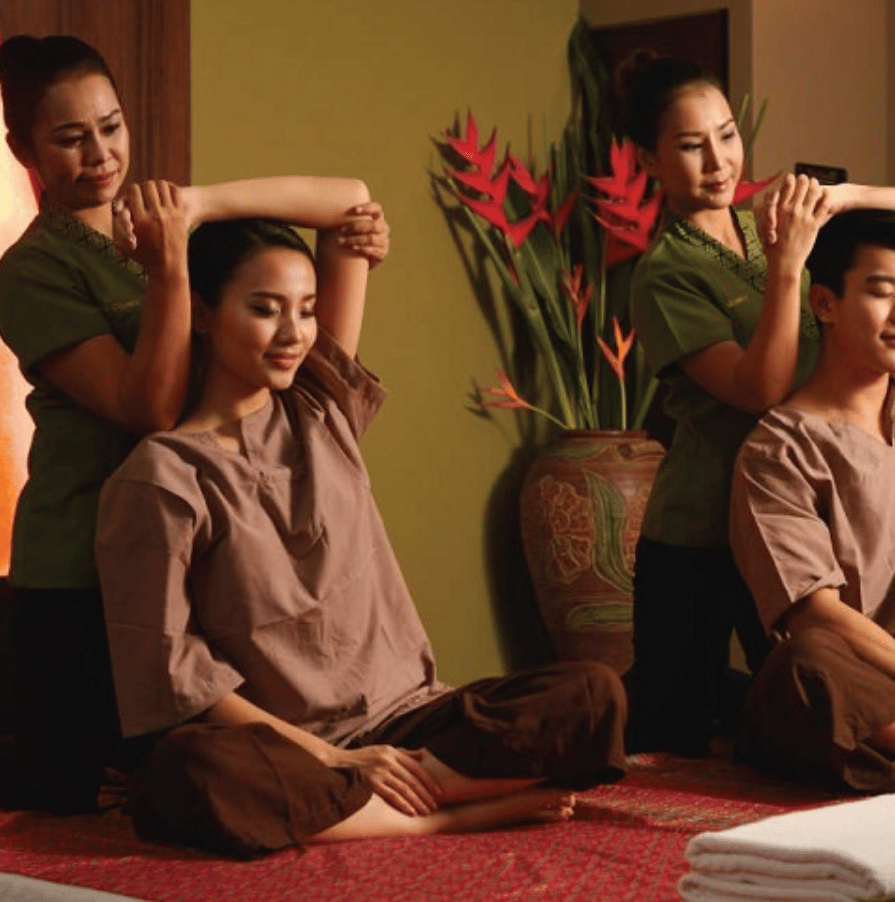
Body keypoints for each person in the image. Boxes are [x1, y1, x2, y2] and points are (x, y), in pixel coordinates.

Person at [94, 212, 627, 855]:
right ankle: (444, 816)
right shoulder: (161, 476)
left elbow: (348, 205)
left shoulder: (323, 409)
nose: (293, 333)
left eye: (306, 310)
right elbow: (173, 673)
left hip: (408, 719)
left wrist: (198, 202)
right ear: (201, 313)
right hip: (284, 745)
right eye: (264, 309)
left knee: (592, 694)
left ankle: (370, 806)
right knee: (191, 771)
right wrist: (338, 759)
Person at [0, 33, 384, 813]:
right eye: (70, 139)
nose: (100, 155)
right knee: (70, 813)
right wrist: (172, 267)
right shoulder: (30, 271)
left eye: (111, 127)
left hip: (198, 549)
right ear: (23, 150)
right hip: (75, 571)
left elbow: (350, 200)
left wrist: (201, 205)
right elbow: (148, 411)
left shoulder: (169, 229)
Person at [730, 187, 895, 792]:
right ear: (825, 302)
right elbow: (816, 616)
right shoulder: (777, 450)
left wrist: (850, 197)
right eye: (882, 291)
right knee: (803, 666)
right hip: (879, 688)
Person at [622, 54, 832, 755]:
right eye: (691, 145)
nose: (718, 161)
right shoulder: (665, 273)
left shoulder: (767, 228)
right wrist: (787, 267)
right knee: (670, 745)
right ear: (648, 161)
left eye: (728, 135)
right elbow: (758, 391)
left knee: (808, 721)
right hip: (702, 532)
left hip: (792, 512)